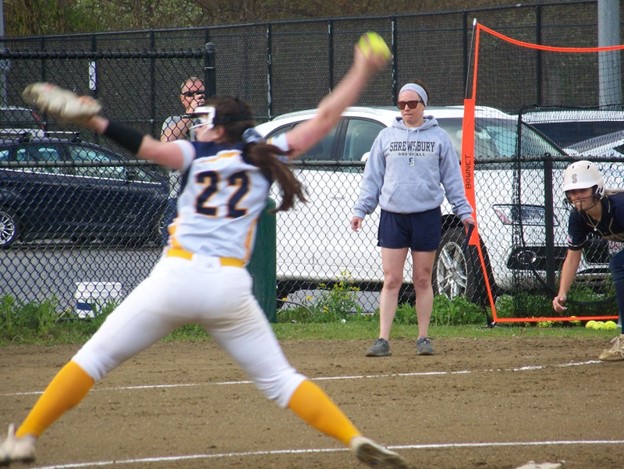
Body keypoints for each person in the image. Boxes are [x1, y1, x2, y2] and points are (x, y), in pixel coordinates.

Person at [1, 37, 407, 468]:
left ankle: (25, 437)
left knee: (95, 358)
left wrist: (99, 122)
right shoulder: (263, 156)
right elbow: (326, 117)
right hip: (228, 287)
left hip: (176, 277)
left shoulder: (197, 153)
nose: (197, 126)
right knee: (283, 381)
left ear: (216, 126)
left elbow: (148, 148)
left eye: (202, 120)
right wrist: (362, 68)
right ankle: (353, 437)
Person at [351, 81, 475, 358]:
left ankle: (422, 338)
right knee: (392, 279)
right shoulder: (385, 136)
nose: (407, 108)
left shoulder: (439, 137)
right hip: (393, 216)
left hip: (426, 216)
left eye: (412, 103)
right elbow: (372, 179)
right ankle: (382, 339)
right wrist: (361, 210)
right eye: (402, 104)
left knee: (422, 279)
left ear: (423, 105)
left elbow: (453, 180)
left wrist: (464, 212)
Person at [553, 160, 624, 361]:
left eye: (582, 190)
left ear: (597, 189)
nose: (577, 196)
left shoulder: (619, 206)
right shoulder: (578, 217)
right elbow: (573, 256)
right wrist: (562, 293)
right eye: (572, 192)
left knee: (620, 264)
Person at [160, 76, 206, 244]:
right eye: (190, 94)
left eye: (200, 93)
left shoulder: (214, 121)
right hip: (179, 197)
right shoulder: (173, 122)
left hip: (207, 197)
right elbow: (166, 142)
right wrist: (190, 114)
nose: (196, 97)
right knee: (173, 251)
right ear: (182, 99)